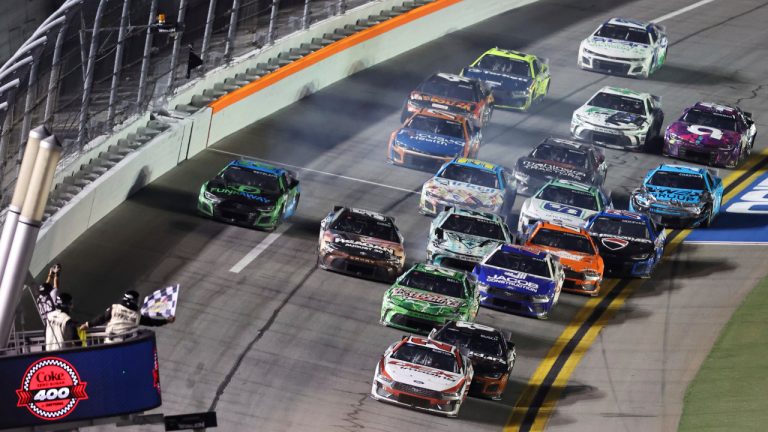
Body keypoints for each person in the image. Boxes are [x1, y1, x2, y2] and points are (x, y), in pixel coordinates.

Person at [79, 290, 174, 343]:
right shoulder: (137, 316)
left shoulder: (114, 308)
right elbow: (152, 322)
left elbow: (101, 318)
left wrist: (87, 325)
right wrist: (166, 320)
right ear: (133, 301)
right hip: (124, 344)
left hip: (109, 341)